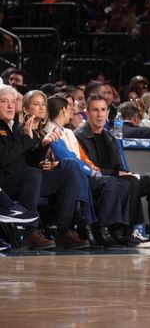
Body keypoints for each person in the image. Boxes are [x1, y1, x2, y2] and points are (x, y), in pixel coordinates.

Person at [75, 94, 150, 248]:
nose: (100, 114)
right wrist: (118, 174)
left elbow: (119, 166)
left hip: (116, 178)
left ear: (108, 113)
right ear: (87, 113)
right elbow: (87, 168)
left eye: (103, 110)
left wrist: (123, 173)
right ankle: (129, 232)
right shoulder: (80, 136)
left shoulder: (109, 137)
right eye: (95, 110)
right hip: (96, 180)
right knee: (130, 182)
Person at [0, 85, 86, 249]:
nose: (10, 106)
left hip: (26, 180)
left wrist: (44, 145)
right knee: (32, 174)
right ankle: (30, 232)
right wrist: (26, 138)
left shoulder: (16, 127)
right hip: (5, 183)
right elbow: (4, 159)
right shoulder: (19, 129)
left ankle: (64, 231)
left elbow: (28, 159)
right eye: (4, 102)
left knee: (68, 174)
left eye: (12, 102)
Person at [46, 95, 135, 248]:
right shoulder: (51, 130)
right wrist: (94, 172)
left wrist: (93, 169)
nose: (73, 111)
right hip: (65, 177)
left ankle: (115, 230)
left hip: (80, 173)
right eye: (69, 108)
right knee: (109, 181)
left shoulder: (68, 132)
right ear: (63, 110)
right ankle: (95, 229)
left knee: (124, 181)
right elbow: (69, 159)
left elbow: (81, 157)